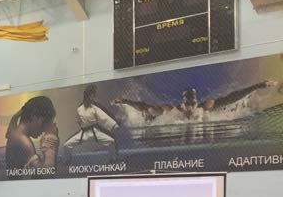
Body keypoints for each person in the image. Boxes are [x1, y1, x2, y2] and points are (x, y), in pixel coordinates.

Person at [114, 80, 278, 121]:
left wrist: (259, 85)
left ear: (196, 102)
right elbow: (146, 107)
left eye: (193, 104)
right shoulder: (171, 111)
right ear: (183, 103)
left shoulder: (205, 107)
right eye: (188, 104)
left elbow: (232, 98)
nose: (191, 108)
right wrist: (125, 101)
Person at [64, 85, 119, 162]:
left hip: (95, 132)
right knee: (67, 144)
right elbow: (78, 120)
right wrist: (83, 126)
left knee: (111, 141)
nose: (92, 98)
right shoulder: (79, 109)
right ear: (87, 96)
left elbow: (103, 117)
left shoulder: (94, 108)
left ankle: (113, 159)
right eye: (91, 96)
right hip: (83, 133)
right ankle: (67, 160)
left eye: (93, 97)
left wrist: (114, 125)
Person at [5, 95, 59, 169]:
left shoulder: (14, 131)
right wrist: (50, 143)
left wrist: (17, 115)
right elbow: (45, 174)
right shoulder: (24, 142)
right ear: (34, 117)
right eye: (44, 122)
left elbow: (14, 119)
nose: (44, 130)